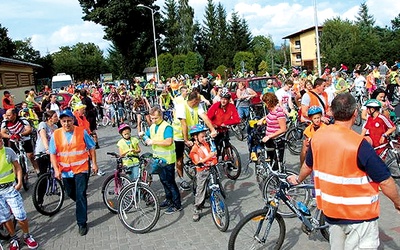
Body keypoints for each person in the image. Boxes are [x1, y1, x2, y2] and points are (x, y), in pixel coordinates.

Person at [288, 93, 400, 250]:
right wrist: (397, 203)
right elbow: (385, 181)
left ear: (332, 113)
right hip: (359, 217)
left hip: (332, 214)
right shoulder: (358, 144)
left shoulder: (319, 136)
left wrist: (298, 179)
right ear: (355, 113)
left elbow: (308, 165)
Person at [49, 109, 98, 236]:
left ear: (73, 120)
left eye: (69, 121)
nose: (66, 123)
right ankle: (82, 204)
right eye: (64, 121)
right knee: (70, 192)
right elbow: (53, 154)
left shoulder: (81, 132)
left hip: (81, 168)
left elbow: (91, 147)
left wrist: (94, 164)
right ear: (60, 122)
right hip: (65, 171)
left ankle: (82, 223)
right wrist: (56, 169)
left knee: (80, 194)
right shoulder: (56, 134)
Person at [171, 91, 217, 191]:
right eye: (199, 100)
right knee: (179, 159)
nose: (200, 102)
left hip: (192, 133)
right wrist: (186, 140)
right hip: (179, 135)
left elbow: (205, 117)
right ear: (195, 100)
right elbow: (184, 124)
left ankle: (199, 174)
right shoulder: (181, 107)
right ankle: (181, 179)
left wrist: (212, 129)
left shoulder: (197, 106)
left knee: (199, 153)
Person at [0, 133, 38, 250]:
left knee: (20, 215)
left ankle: (27, 235)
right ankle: (13, 238)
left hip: (11, 189)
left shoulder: (8, 151)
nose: (1, 141)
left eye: (0, 139)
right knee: (5, 218)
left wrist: (20, 182)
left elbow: (17, 167)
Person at [144, 107, 182, 214]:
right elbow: (147, 135)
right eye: (152, 119)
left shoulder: (167, 127)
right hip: (158, 159)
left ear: (161, 116)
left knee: (170, 182)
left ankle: (177, 204)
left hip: (167, 160)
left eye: (156, 118)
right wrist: (145, 138)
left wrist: (153, 141)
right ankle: (168, 199)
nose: (154, 120)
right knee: (163, 181)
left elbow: (168, 142)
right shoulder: (153, 126)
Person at [188, 124, 218, 222]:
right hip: (202, 171)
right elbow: (198, 162)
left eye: (205, 135)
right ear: (195, 137)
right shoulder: (194, 150)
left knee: (216, 183)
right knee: (201, 190)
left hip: (211, 167)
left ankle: (218, 196)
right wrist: (210, 156)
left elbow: (211, 151)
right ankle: (197, 209)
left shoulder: (205, 143)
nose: (204, 138)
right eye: (202, 136)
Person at [0, 108, 40, 174]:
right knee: (13, 158)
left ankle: (37, 170)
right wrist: (10, 136)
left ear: (14, 115)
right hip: (13, 140)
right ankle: (18, 174)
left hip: (24, 138)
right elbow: (2, 133)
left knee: (30, 155)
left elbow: (28, 129)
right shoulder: (5, 121)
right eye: (6, 115)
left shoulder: (22, 119)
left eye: (9, 115)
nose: (7, 117)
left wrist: (21, 134)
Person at [254, 93, 287, 165]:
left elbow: (283, 129)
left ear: (268, 102)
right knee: (270, 160)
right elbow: (270, 115)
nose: (264, 104)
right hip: (270, 140)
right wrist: (262, 119)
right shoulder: (272, 110)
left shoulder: (279, 112)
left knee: (276, 163)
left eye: (264, 102)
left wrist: (269, 136)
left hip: (276, 140)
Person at [207, 88, 240, 156]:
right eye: (222, 98)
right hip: (216, 129)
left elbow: (237, 119)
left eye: (225, 99)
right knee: (216, 149)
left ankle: (229, 161)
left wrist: (226, 123)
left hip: (225, 129)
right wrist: (213, 125)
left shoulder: (231, 106)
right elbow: (208, 118)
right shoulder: (215, 106)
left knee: (227, 144)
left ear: (228, 100)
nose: (223, 101)